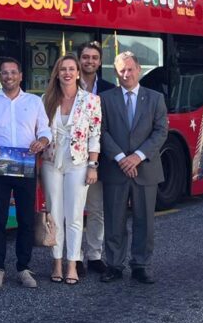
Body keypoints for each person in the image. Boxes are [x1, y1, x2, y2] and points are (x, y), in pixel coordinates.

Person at [0, 57, 50, 290]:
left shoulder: (34, 102)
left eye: (13, 72)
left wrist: (42, 141)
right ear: (0, 76)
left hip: (26, 165)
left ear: (20, 76)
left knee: (26, 219)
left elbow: (45, 130)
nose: (9, 76)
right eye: (5, 73)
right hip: (0, 165)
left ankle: (24, 267)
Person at [99, 52, 169, 285]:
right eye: (121, 70)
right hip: (115, 169)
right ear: (116, 73)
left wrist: (137, 157)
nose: (126, 74)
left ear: (138, 69)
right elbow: (101, 131)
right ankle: (114, 265)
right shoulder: (105, 99)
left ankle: (141, 266)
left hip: (145, 169)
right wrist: (121, 158)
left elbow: (161, 131)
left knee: (144, 222)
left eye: (130, 69)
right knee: (114, 221)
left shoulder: (155, 98)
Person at [40, 55, 101, 286]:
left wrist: (93, 165)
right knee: (55, 214)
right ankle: (57, 262)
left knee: (74, 215)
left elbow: (95, 135)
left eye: (71, 69)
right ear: (57, 74)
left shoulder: (91, 100)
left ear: (77, 73)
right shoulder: (46, 99)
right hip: (51, 161)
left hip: (79, 163)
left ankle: (73, 263)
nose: (67, 73)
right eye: (62, 69)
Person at [77, 41, 116, 277]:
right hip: (72, 159)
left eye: (94, 57)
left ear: (100, 62)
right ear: (79, 60)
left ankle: (94, 255)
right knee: (73, 212)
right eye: (85, 57)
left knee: (96, 210)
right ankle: (75, 257)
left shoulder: (109, 89)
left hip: (99, 159)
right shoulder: (67, 84)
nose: (89, 61)